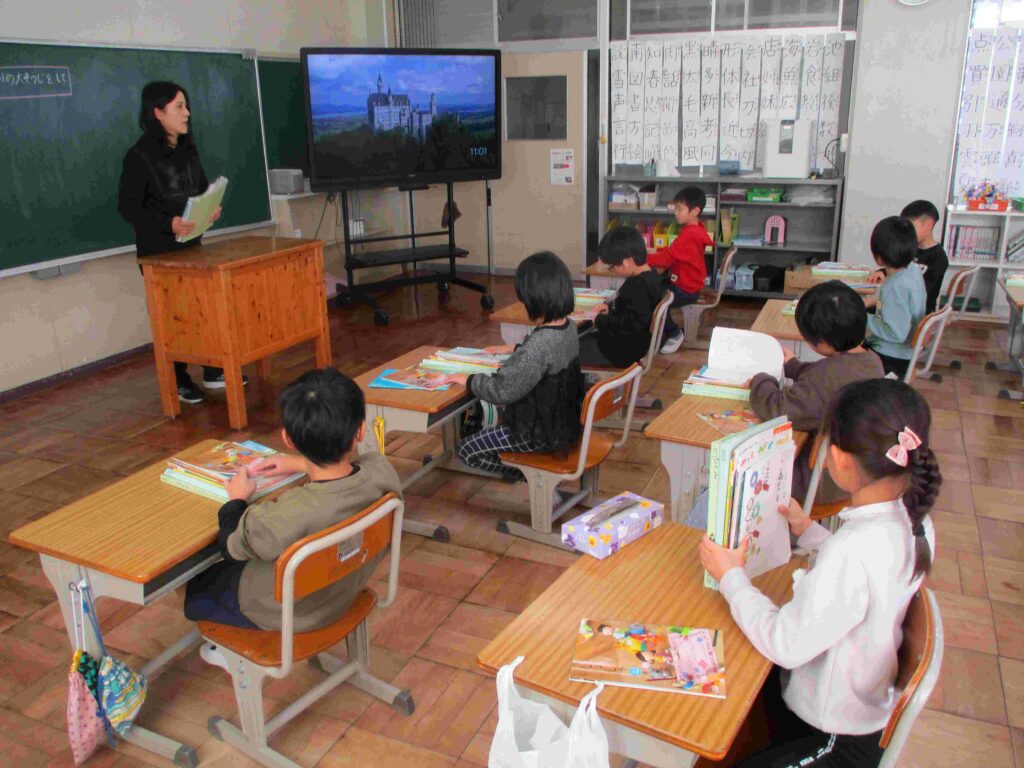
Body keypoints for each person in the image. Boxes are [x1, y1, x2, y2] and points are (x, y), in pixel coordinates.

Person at [700, 378, 941, 768]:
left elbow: (785, 643)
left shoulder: (852, 551)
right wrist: (809, 531)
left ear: (841, 460)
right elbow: (868, 577)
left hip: (834, 737)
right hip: (850, 703)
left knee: (726, 698)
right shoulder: (914, 521)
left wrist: (731, 577)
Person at [183, 368, 401, 631]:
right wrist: (299, 463)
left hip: (290, 613)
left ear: (287, 438)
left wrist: (236, 501)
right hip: (342, 592)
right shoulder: (381, 471)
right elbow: (355, 468)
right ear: (361, 431)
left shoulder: (288, 514)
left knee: (196, 586)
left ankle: (225, 645)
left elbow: (231, 547)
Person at [118, 81, 236, 405]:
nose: (187, 113)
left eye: (186, 105)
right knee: (174, 319)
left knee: (203, 311)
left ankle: (212, 369)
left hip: (191, 246)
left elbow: (200, 190)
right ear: (158, 113)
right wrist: (167, 223)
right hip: (158, 254)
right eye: (179, 107)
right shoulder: (139, 156)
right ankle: (179, 380)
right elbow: (127, 208)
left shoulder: (188, 149)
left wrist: (209, 209)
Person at [449, 252, 585, 480]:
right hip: (564, 425)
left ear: (534, 298)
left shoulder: (538, 346)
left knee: (466, 450)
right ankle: (530, 475)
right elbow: (549, 356)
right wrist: (516, 348)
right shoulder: (568, 327)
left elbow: (502, 392)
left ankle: (528, 477)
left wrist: (469, 379)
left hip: (534, 434)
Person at [749, 281, 884, 505]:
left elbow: (777, 408)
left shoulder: (825, 379)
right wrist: (793, 366)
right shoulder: (871, 360)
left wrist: (761, 379)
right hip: (858, 471)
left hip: (821, 483)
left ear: (821, 343)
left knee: (748, 469)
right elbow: (828, 376)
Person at [579, 226, 667, 368]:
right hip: (632, 347)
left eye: (612, 267)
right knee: (578, 342)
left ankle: (583, 381)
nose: (613, 271)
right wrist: (609, 308)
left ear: (626, 262)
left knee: (569, 351)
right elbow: (632, 312)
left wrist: (599, 320)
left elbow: (627, 326)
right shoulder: (651, 275)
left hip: (619, 353)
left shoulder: (638, 287)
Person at [646, 187, 714, 354]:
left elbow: (667, 258)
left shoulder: (689, 235)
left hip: (686, 288)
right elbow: (674, 251)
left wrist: (642, 258)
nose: (675, 213)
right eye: (675, 208)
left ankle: (674, 332)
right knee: (653, 286)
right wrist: (656, 253)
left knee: (652, 298)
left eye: (679, 209)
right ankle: (660, 328)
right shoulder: (694, 229)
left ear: (695, 211)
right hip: (688, 283)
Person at [864, 217, 927, 379]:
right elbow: (902, 310)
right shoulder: (913, 270)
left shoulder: (895, 287)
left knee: (844, 349)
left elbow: (895, 333)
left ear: (878, 258)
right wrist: (877, 304)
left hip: (891, 357)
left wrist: (862, 317)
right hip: (904, 353)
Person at [868, 201, 948, 314]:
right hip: (896, 302)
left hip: (911, 312)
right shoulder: (908, 248)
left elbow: (922, 295)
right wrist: (882, 272)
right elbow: (896, 266)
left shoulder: (938, 257)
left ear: (928, 224)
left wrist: (877, 302)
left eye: (911, 226)